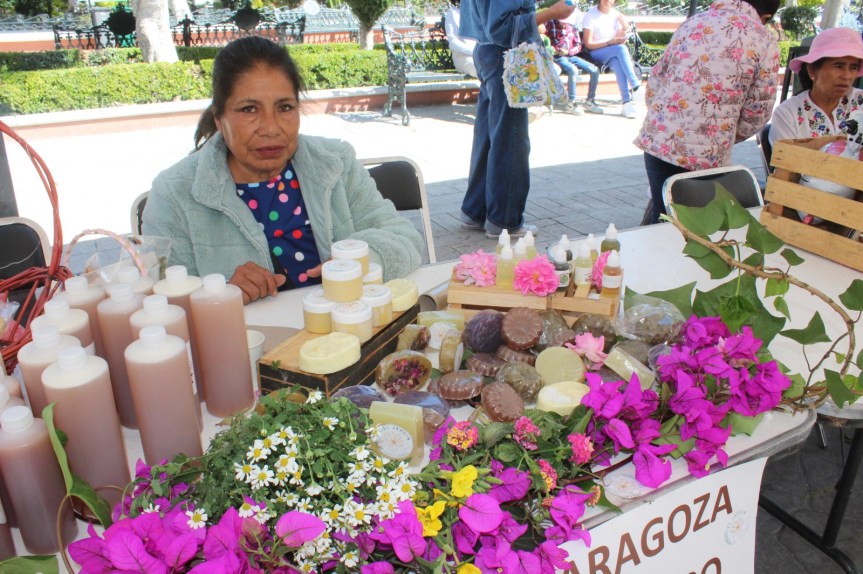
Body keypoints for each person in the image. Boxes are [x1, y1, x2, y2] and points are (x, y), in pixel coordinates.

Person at [143, 37, 423, 304]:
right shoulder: (175, 193)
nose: (271, 128)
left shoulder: (335, 163)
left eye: (285, 107)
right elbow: (161, 296)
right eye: (249, 109)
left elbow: (405, 238)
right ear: (219, 118)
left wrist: (361, 260)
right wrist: (221, 293)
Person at [634, 0, 780, 224]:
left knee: (662, 215)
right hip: (709, 153)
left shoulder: (693, 23)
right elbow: (758, 110)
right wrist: (727, 134)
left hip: (660, 141)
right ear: (766, 16)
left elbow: (656, 80)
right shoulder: (764, 39)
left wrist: (666, 119)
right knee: (698, 224)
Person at [458, 0, 577, 239]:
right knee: (510, 141)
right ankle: (504, 221)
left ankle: (476, 211)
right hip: (506, 55)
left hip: (488, 52)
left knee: (489, 137)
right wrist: (552, 13)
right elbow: (501, 27)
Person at [769, 27, 863, 145]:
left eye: (853, 67)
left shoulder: (860, 101)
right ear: (812, 70)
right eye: (838, 66)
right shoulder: (788, 113)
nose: (847, 76)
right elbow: (784, 155)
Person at [581, 0, 641, 119]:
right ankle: (636, 86)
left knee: (617, 61)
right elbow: (588, 44)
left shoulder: (616, 15)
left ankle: (626, 103)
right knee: (620, 49)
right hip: (595, 53)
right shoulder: (591, 15)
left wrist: (625, 28)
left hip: (612, 52)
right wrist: (609, 43)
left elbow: (619, 40)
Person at [544, 15, 604, 115]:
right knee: (573, 70)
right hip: (556, 56)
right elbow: (543, 40)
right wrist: (554, 50)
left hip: (570, 56)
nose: (564, 24)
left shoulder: (572, 27)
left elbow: (578, 45)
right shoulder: (550, 23)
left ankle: (590, 101)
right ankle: (571, 102)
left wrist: (568, 51)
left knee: (594, 70)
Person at [445, 0, 478, 77]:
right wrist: (474, 52)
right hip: (463, 56)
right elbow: (453, 42)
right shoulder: (452, 14)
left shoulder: (479, 11)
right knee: (481, 68)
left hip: (481, 54)